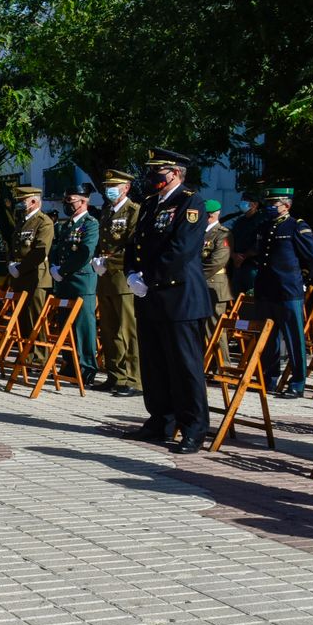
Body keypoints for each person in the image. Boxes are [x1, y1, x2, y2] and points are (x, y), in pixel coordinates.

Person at [124, 148, 213, 454]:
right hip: (151, 295)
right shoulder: (150, 204)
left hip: (179, 296)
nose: (152, 179)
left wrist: (148, 277)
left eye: (157, 172)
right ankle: (160, 420)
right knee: (154, 363)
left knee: (184, 367)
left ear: (175, 172)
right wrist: (131, 274)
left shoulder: (191, 201)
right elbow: (135, 244)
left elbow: (181, 249)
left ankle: (194, 428)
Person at [252, 187, 313, 398]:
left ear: (287, 206)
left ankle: (297, 382)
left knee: (293, 337)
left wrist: (302, 279)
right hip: (266, 288)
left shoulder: (296, 227)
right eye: (269, 204)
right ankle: (270, 378)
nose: (271, 207)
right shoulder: (265, 227)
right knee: (270, 336)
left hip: (288, 289)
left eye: (275, 204)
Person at [96, 170, 142, 397]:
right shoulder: (107, 211)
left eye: (114, 185)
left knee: (128, 330)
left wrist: (108, 261)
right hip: (105, 278)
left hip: (123, 279)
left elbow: (132, 246)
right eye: (107, 185)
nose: (109, 189)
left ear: (126, 188)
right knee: (109, 330)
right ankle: (116, 375)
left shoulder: (134, 211)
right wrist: (98, 260)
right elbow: (103, 242)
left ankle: (134, 379)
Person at [50, 185, 100, 385]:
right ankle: (70, 363)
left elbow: (85, 252)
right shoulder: (64, 225)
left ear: (83, 201)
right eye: (66, 200)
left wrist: (62, 271)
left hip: (80, 281)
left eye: (70, 200)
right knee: (65, 325)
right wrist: (54, 266)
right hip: (64, 283)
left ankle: (87, 367)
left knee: (83, 326)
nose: (66, 204)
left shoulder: (90, 224)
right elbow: (55, 247)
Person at [7, 184, 54, 340]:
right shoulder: (22, 222)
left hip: (35, 274)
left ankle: (39, 355)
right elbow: (15, 246)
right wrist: (11, 263)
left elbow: (40, 251)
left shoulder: (43, 221)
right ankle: (26, 354)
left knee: (34, 317)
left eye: (23, 200)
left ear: (34, 202)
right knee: (22, 318)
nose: (19, 203)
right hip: (20, 274)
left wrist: (20, 267)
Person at [201, 200, 233, 366]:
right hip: (198, 286)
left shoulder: (222, 233)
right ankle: (203, 363)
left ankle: (222, 365)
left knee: (216, 327)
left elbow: (217, 261)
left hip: (214, 285)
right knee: (199, 327)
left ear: (213, 215)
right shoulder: (198, 232)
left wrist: (194, 275)